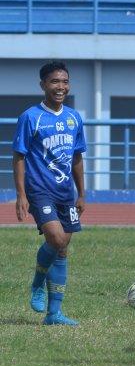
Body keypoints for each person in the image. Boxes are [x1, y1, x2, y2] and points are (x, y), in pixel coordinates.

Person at [12, 61, 87, 326]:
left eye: (65, 81)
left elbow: (77, 157)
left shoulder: (73, 117)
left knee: (63, 248)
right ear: (43, 85)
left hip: (65, 192)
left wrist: (81, 193)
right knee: (55, 239)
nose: (61, 87)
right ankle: (37, 284)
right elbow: (19, 157)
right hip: (39, 190)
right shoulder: (30, 117)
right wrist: (21, 195)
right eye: (55, 81)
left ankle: (53, 314)